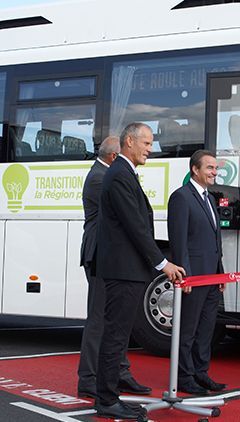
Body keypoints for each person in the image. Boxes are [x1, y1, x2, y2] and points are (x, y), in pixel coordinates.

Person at [94, 123, 185, 420]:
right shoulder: (119, 174)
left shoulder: (123, 173)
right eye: (146, 143)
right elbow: (135, 226)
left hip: (128, 269)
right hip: (123, 270)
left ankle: (110, 395)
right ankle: (106, 400)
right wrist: (162, 263)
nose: (150, 148)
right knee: (116, 336)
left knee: (118, 336)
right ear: (129, 142)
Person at [77, 136, 151, 399]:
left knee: (117, 319)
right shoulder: (102, 178)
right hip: (100, 255)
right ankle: (88, 378)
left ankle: (119, 372)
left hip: (109, 255)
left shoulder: (107, 174)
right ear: (113, 156)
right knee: (99, 319)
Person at [168, 150, 226, 395]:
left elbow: (214, 239)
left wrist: (220, 272)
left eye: (215, 168)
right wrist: (185, 275)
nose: (215, 172)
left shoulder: (209, 198)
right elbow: (179, 241)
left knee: (206, 330)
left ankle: (201, 373)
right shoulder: (181, 197)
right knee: (187, 330)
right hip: (194, 277)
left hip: (212, 277)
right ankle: (184, 377)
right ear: (195, 169)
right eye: (210, 168)